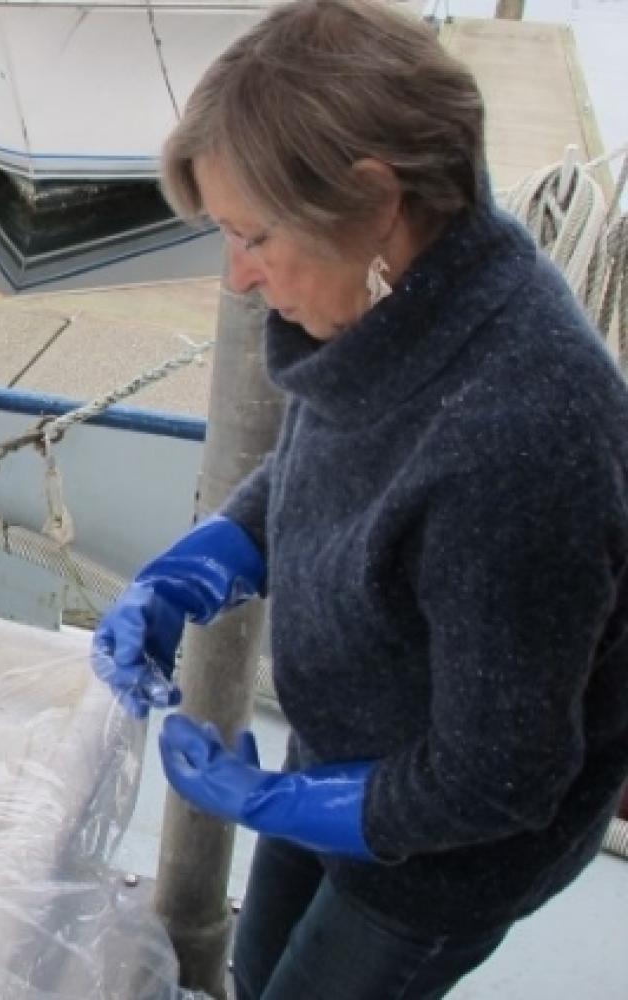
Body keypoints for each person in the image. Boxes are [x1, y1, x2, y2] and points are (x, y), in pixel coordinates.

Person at [90, 1, 628, 997]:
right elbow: (329, 453)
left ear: (375, 198)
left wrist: (280, 800)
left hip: (443, 850)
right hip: (344, 750)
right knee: (258, 972)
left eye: (252, 236)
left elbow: (501, 777)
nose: (238, 279)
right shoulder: (394, 298)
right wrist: (211, 554)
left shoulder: (521, 435)